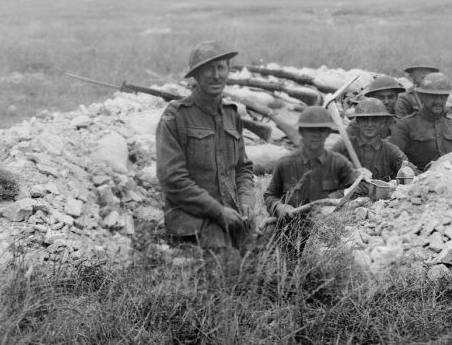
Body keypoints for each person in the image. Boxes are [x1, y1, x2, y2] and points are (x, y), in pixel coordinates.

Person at [156, 40, 255, 252]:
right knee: (231, 270)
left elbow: (243, 168)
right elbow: (172, 179)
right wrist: (218, 211)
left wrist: (246, 200)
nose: (216, 75)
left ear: (229, 71)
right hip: (192, 221)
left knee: (267, 263)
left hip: (230, 216)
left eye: (221, 68)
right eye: (209, 69)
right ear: (197, 75)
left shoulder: (232, 115)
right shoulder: (176, 116)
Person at [264, 106, 369, 227]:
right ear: (301, 132)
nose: (316, 135)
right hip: (289, 227)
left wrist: (334, 198)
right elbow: (270, 195)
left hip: (324, 228)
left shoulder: (338, 162)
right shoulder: (285, 163)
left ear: (328, 133)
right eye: (310, 130)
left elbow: (363, 185)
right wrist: (279, 206)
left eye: (321, 130)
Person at [390, 72, 452, 173]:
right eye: (434, 96)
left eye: (443, 97)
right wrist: (415, 173)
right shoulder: (405, 125)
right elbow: (393, 158)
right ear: (422, 96)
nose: (439, 101)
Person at [333, 99, 412, 182]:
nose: (370, 124)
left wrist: (397, 182)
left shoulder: (391, 151)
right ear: (358, 122)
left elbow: (411, 172)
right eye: (365, 119)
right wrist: (350, 174)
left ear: (382, 122)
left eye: (375, 119)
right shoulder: (343, 147)